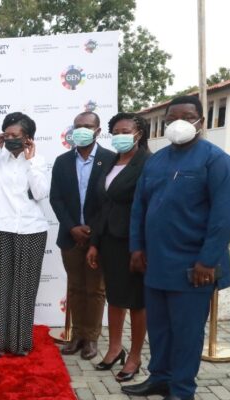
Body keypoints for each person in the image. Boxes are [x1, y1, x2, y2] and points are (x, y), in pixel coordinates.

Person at [123, 96, 230, 400]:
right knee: (159, 327)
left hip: (194, 265)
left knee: (187, 332)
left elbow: (223, 218)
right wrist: (136, 247)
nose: (179, 122)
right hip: (155, 262)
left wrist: (208, 261)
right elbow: (139, 209)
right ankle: (159, 378)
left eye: (187, 116)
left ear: (201, 121)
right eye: (172, 116)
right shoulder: (157, 161)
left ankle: (182, 391)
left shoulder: (217, 162)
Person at [0, 112, 50, 357]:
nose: (10, 139)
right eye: (6, 135)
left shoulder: (38, 161)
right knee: (3, 287)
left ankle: (21, 343)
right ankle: (0, 342)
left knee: (25, 288)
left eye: (15, 135)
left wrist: (30, 161)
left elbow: (40, 193)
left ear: (28, 138)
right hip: (3, 229)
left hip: (32, 230)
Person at [86, 113, 150, 382]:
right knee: (115, 296)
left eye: (126, 130)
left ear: (139, 133)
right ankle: (115, 349)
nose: (120, 135)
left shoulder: (148, 163)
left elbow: (147, 207)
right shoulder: (111, 161)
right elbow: (104, 205)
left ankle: (135, 356)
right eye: (116, 131)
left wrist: (141, 247)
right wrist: (94, 243)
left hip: (135, 243)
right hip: (110, 240)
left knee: (136, 301)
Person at [50, 111, 117, 360]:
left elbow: (109, 201)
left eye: (87, 126)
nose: (81, 130)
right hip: (70, 237)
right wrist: (71, 227)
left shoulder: (110, 159)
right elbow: (55, 198)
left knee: (96, 289)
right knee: (76, 287)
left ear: (98, 131)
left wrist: (92, 232)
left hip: (98, 239)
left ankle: (91, 338)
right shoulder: (62, 161)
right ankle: (77, 335)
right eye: (77, 126)